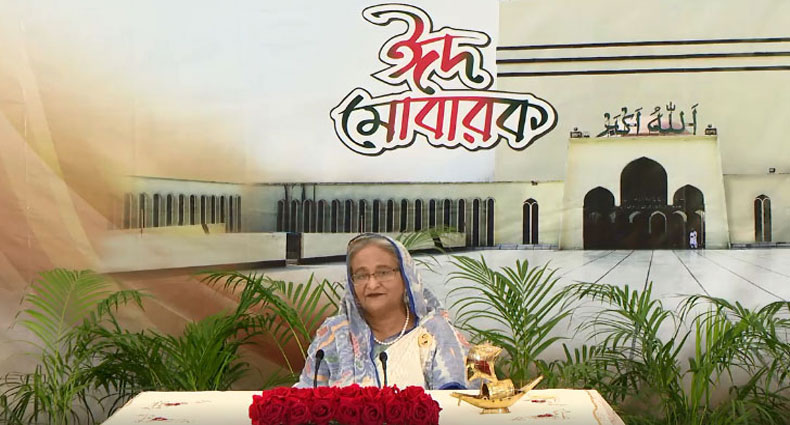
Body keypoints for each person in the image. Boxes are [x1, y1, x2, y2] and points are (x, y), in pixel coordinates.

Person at [295, 233, 469, 389]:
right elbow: (303, 398)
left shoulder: (435, 332)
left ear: (406, 277)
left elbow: (456, 403)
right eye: (361, 275)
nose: (372, 284)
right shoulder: (334, 335)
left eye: (383, 272)